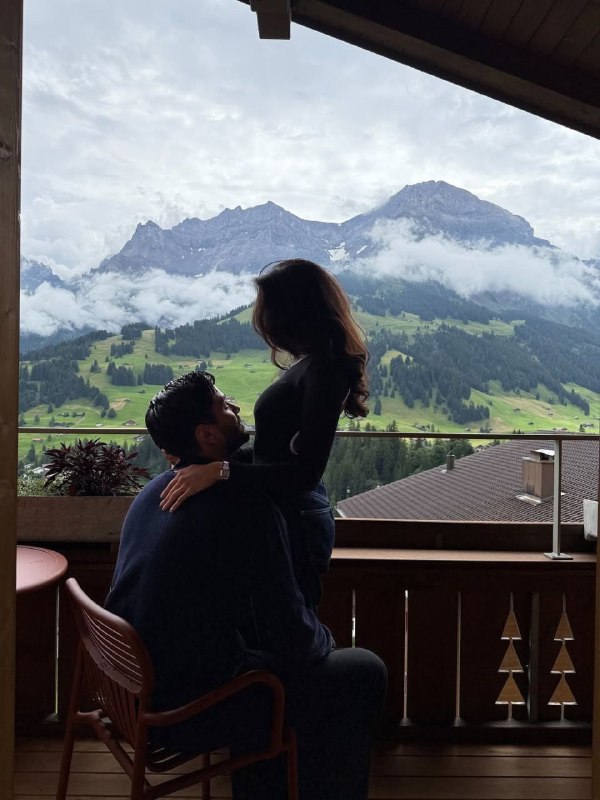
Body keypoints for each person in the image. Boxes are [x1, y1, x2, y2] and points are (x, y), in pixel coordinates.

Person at [105, 371, 386, 800]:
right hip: (182, 713)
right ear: (207, 434)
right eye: (224, 406)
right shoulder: (246, 509)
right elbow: (294, 637)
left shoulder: (154, 492)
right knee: (363, 671)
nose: (236, 408)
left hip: (130, 692)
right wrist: (325, 642)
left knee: (262, 666)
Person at [160, 259, 369, 608]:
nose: (260, 317)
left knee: (290, 620)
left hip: (297, 520)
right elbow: (271, 452)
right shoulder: (312, 365)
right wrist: (200, 462)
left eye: (265, 305)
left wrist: (221, 471)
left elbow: (305, 473)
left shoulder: (325, 371)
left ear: (290, 309)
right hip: (289, 514)